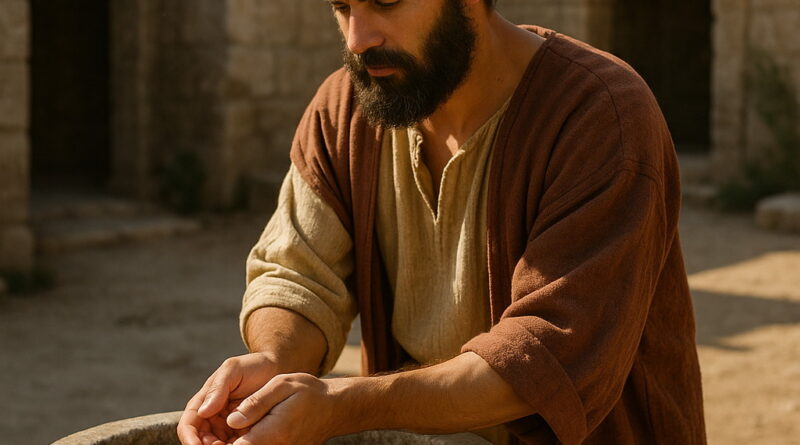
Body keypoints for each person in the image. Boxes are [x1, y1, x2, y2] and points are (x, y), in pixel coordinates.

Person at [177, 0, 707, 444]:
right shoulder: (346, 110)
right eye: (342, 6)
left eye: (385, 1)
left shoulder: (600, 116)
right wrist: (276, 361)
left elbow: (543, 362)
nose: (357, 37)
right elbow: (296, 274)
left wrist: (344, 405)